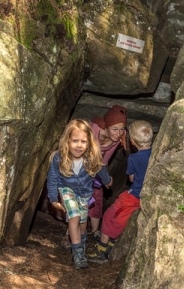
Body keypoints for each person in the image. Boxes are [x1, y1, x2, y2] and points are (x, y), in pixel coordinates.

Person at [47, 119, 113, 270]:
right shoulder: (59, 157)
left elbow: (101, 171)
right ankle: (77, 254)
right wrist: (52, 198)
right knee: (74, 217)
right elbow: (52, 179)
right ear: (67, 141)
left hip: (84, 194)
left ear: (89, 142)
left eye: (83, 141)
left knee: (83, 224)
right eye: (75, 140)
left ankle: (80, 245)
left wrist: (108, 181)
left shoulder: (92, 158)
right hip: (66, 190)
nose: (79, 145)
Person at [60, 105, 128, 249]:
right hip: (77, 167)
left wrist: (105, 179)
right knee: (76, 202)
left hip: (93, 170)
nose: (118, 133)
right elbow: (93, 158)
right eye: (115, 129)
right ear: (107, 125)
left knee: (91, 198)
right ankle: (68, 236)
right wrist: (106, 179)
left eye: (122, 129)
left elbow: (103, 162)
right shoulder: (93, 130)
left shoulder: (115, 140)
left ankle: (86, 235)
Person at [87, 120, 153, 264]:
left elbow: (131, 177)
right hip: (146, 196)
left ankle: (102, 250)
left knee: (110, 215)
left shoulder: (134, 157)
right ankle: (111, 244)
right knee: (122, 218)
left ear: (133, 141)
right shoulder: (154, 154)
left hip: (134, 195)